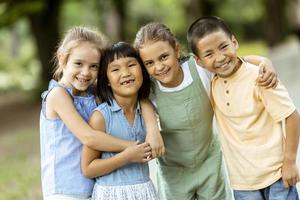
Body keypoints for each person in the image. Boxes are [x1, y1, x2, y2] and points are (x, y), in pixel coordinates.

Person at [133, 22, 278, 200]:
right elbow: (140, 100)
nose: (159, 67)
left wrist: (264, 61)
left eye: (164, 57)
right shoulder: (150, 89)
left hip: (209, 163)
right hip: (173, 171)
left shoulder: (199, 69)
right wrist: (152, 127)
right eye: (149, 63)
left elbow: (233, 62)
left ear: (176, 50)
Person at [40, 27, 163, 200]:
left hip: (92, 186)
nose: (85, 72)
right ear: (62, 59)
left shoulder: (91, 93)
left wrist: (152, 127)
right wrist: (130, 148)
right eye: (78, 63)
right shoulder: (58, 95)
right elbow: (89, 137)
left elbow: (139, 99)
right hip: (64, 189)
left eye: (93, 66)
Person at [187, 16, 300, 200]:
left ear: (234, 42)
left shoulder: (260, 77)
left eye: (224, 47)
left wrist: (289, 162)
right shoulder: (211, 83)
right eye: (209, 54)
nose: (220, 57)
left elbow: (292, 117)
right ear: (199, 61)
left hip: (277, 175)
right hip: (242, 183)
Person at [81, 42, 158, 200]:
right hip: (111, 193)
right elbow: (88, 168)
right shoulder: (101, 117)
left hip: (144, 190)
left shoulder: (145, 109)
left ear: (142, 71)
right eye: (115, 69)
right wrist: (125, 157)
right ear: (107, 80)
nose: (126, 73)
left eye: (131, 65)